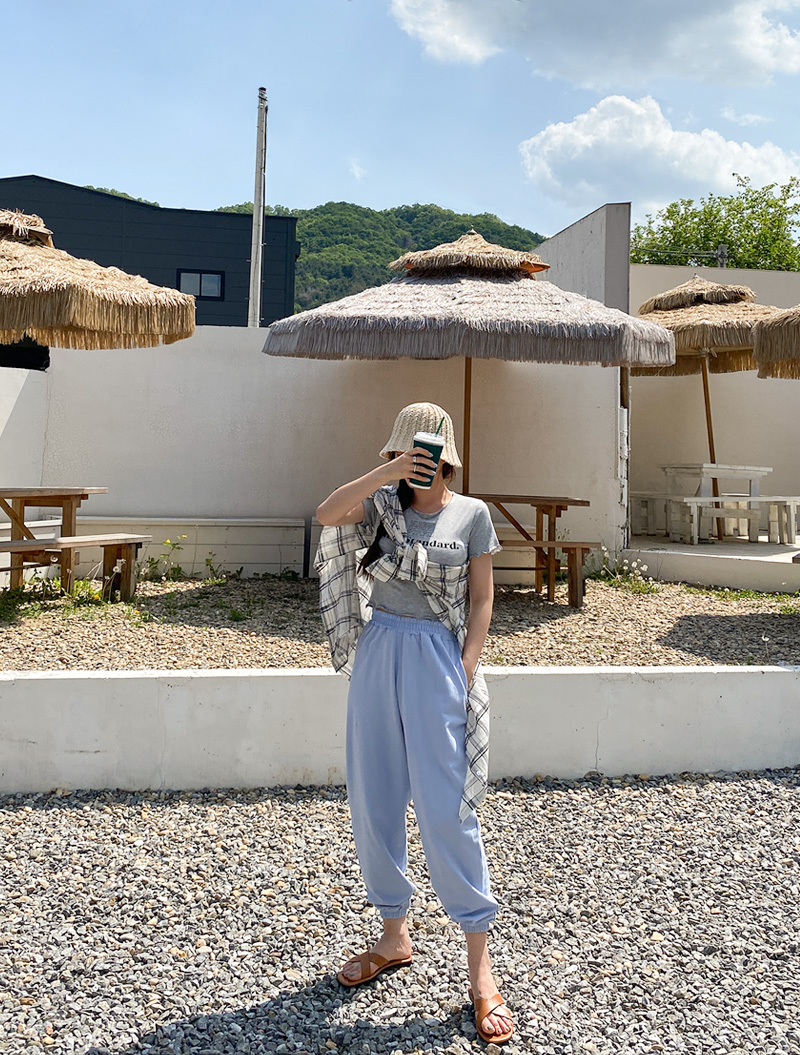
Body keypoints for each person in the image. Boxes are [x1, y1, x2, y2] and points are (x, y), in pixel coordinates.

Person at [315, 402, 513, 1044]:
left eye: (424, 455)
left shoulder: (471, 514)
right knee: (374, 795)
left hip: (437, 655)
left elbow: (482, 597)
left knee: (446, 805)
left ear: (446, 458)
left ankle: (480, 969)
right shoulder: (380, 506)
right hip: (380, 649)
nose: (415, 465)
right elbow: (326, 515)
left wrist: (467, 664)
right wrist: (386, 474)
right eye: (403, 454)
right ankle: (393, 936)